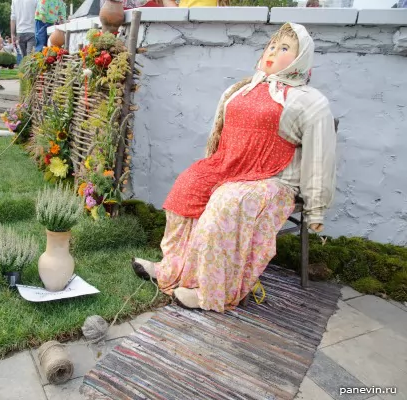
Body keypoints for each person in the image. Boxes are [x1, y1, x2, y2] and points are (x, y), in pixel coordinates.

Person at [132, 23, 336, 312]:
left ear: (302, 57)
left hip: (273, 179)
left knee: (225, 203)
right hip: (230, 167)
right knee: (187, 186)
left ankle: (208, 290)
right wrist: (210, 169)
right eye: (272, 46)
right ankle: (171, 269)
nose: (274, 52)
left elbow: (320, 156)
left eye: (285, 48)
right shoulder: (241, 88)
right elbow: (219, 133)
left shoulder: (309, 101)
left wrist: (316, 208)